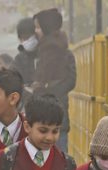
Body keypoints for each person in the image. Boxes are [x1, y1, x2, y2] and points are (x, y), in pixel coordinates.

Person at [31, 8, 77, 154]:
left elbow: (70, 81)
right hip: (48, 116)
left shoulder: (62, 53)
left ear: (46, 27)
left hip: (54, 116)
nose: (36, 31)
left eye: (38, 27)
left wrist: (45, 90)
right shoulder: (39, 51)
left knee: (58, 160)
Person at [12, 18, 38, 94]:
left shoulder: (46, 55)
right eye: (22, 38)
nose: (26, 41)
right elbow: (12, 80)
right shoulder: (19, 59)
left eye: (28, 37)